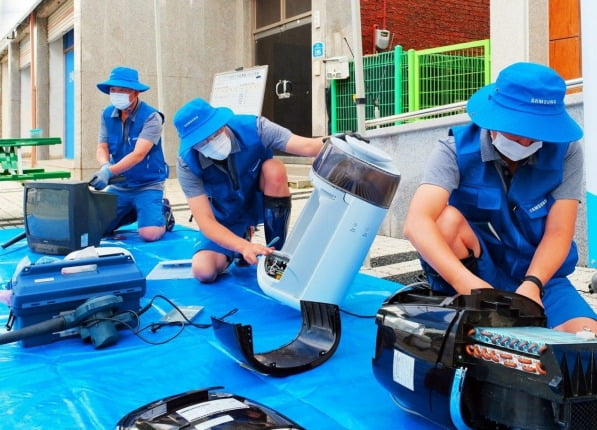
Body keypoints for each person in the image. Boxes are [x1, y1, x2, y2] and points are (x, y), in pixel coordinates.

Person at [403, 62, 597, 335]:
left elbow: (559, 232)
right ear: (494, 119)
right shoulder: (454, 149)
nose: (527, 143)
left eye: (537, 134)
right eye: (518, 133)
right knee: (444, 220)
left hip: (541, 276)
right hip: (478, 273)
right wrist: (468, 284)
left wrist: (533, 283)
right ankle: (459, 307)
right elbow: (416, 222)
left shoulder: (566, 152)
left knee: (584, 342)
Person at [173, 98, 324, 283]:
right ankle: (239, 241)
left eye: (213, 133)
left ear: (221, 123)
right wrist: (242, 246)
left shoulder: (256, 128)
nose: (210, 142)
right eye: (201, 141)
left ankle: (276, 254)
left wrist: (343, 141)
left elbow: (308, 146)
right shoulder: (187, 163)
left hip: (258, 201)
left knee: (274, 168)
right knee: (203, 271)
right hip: (224, 217)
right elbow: (206, 222)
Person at [90, 66, 174, 242]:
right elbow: (102, 147)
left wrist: (109, 172)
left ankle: (162, 213)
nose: (117, 94)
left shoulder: (152, 117)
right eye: (113, 90)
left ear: (136, 93)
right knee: (94, 229)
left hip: (147, 184)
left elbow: (139, 154)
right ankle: (133, 211)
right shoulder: (106, 114)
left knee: (149, 234)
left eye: (123, 90)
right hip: (120, 186)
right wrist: (104, 165)